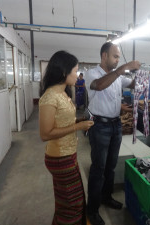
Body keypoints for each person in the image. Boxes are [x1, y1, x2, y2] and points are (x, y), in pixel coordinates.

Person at [85, 42, 143, 225]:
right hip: (100, 127)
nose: (118, 60)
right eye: (115, 56)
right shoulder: (92, 74)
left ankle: (106, 197)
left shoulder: (118, 77)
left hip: (115, 125)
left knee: (110, 166)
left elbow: (133, 84)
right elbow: (99, 86)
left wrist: (145, 75)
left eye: (119, 57)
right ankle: (92, 210)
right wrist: (123, 68)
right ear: (104, 56)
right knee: (98, 169)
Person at [39, 50, 94, 225]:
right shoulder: (50, 97)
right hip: (60, 158)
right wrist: (77, 127)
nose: (77, 75)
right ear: (64, 72)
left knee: (67, 201)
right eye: (75, 71)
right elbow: (45, 133)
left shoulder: (64, 93)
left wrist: (78, 120)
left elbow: (61, 121)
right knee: (73, 204)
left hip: (68, 154)